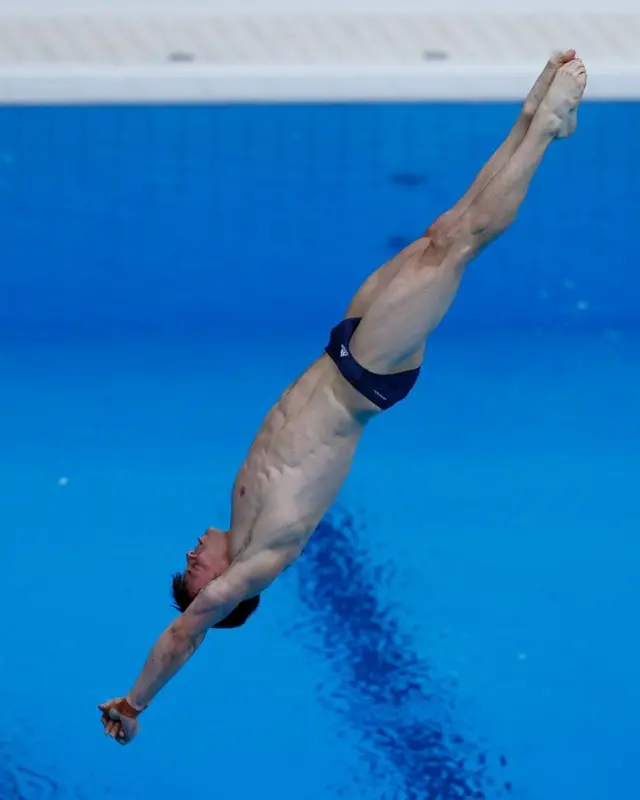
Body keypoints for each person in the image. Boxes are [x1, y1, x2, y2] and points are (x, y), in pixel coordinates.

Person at [99, 51, 587, 744]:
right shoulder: (262, 558)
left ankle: (533, 120)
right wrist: (136, 701)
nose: (189, 561)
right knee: (460, 247)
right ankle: (543, 134)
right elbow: (184, 633)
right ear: (219, 589)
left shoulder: (241, 511)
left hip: (345, 351)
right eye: (193, 577)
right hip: (368, 374)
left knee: (443, 233)